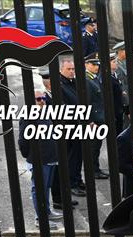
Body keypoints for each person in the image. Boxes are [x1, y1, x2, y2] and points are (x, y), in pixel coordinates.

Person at [18, 90, 61, 230]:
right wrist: (29, 156)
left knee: (46, 187)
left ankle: (47, 211)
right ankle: (40, 219)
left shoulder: (46, 112)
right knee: (39, 189)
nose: (42, 101)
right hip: (39, 159)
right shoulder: (28, 115)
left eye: (43, 98)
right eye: (38, 99)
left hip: (50, 157)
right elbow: (23, 140)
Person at [57, 57, 87, 199]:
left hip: (78, 125)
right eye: (68, 69)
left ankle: (77, 179)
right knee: (71, 157)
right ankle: (71, 184)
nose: (71, 72)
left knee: (78, 155)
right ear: (61, 70)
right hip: (69, 127)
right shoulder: (60, 85)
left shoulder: (73, 82)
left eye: (73, 69)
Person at [84, 52, 108, 180]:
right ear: (86, 64)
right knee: (93, 147)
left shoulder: (93, 77)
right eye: (93, 64)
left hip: (99, 118)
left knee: (96, 146)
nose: (96, 67)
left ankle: (96, 168)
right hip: (94, 120)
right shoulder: (86, 80)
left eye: (97, 65)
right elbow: (86, 102)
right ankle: (93, 171)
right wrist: (90, 121)